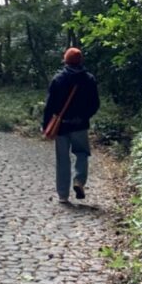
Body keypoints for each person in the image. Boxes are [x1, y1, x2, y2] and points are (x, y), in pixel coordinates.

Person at [43, 47, 100, 203]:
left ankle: (63, 195)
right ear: (80, 61)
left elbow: (49, 106)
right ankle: (79, 181)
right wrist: (84, 116)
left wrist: (46, 125)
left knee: (62, 159)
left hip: (61, 126)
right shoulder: (89, 79)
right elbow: (95, 104)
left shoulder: (58, 79)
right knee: (82, 153)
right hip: (80, 125)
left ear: (65, 61)